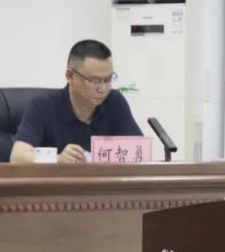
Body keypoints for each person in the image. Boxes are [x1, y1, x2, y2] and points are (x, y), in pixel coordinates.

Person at [9, 39, 142, 164]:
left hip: (103, 181)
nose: (103, 89)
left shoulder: (114, 102)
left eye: (108, 79)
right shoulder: (42, 106)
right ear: (70, 76)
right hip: (60, 181)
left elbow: (139, 152)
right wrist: (57, 159)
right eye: (95, 81)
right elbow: (18, 156)